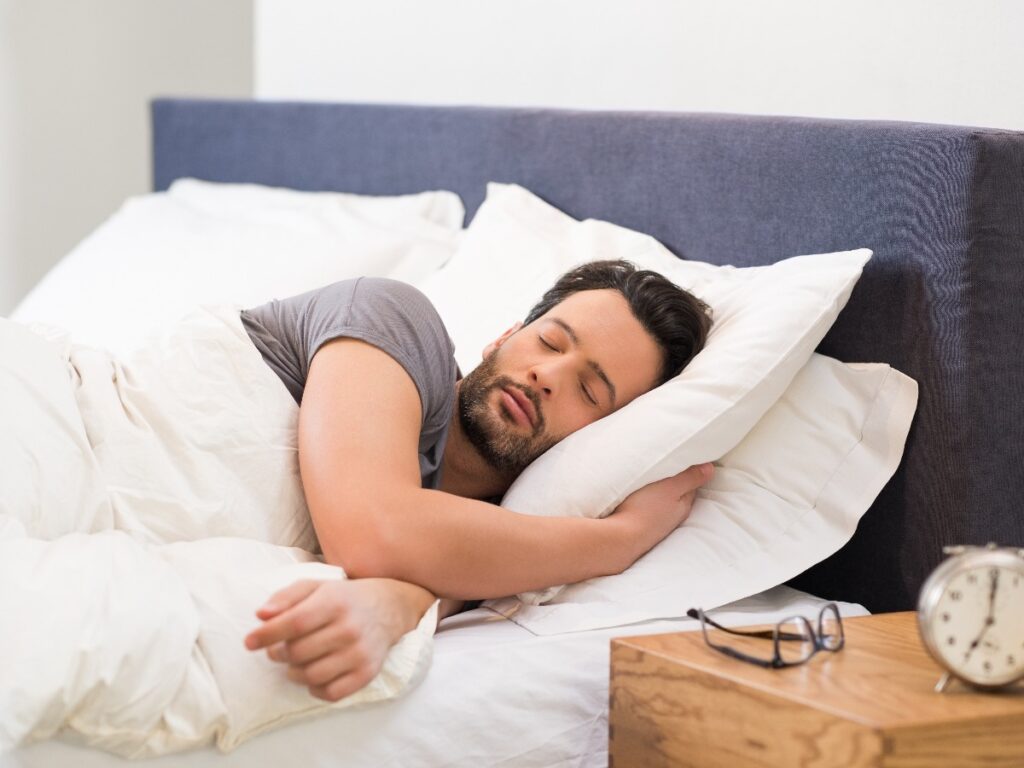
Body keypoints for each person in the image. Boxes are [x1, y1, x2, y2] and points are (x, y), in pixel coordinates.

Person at [242, 259, 713, 702]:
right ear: (506, 335)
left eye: (589, 392)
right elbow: (375, 533)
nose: (546, 375)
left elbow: (435, 557)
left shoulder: (506, 543)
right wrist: (625, 537)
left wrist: (401, 600)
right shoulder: (394, 318)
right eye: (549, 342)